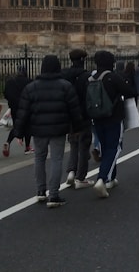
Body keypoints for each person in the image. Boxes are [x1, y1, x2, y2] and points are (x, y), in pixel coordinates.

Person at [13, 55, 84, 208]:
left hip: (38, 128)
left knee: (39, 158)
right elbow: (74, 110)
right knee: (56, 159)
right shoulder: (65, 86)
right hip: (58, 128)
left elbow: (23, 112)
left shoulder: (31, 87)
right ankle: (53, 194)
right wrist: (77, 128)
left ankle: (40, 191)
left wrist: (18, 132)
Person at [88, 50, 136, 198]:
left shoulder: (91, 78)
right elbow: (130, 92)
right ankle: (102, 178)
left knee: (105, 147)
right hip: (113, 117)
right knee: (114, 148)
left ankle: (111, 178)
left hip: (96, 118)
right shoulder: (113, 77)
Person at [61, 49, 95, 189]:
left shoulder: (64, 75)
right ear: (82, 60)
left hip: (69, 115)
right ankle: (81, 177)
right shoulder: (86, 76)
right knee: (84, 146)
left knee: (73, 143)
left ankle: (71, 171)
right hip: (83, 114)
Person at [3, 66, 33, 156]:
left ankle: (8, 142)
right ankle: (27, 147)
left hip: (14, 108)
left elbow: (5, 94)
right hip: (26, 107)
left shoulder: (10, 82)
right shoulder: (29, 82)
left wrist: (12, 102)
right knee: (27, 127)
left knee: (16, 126)